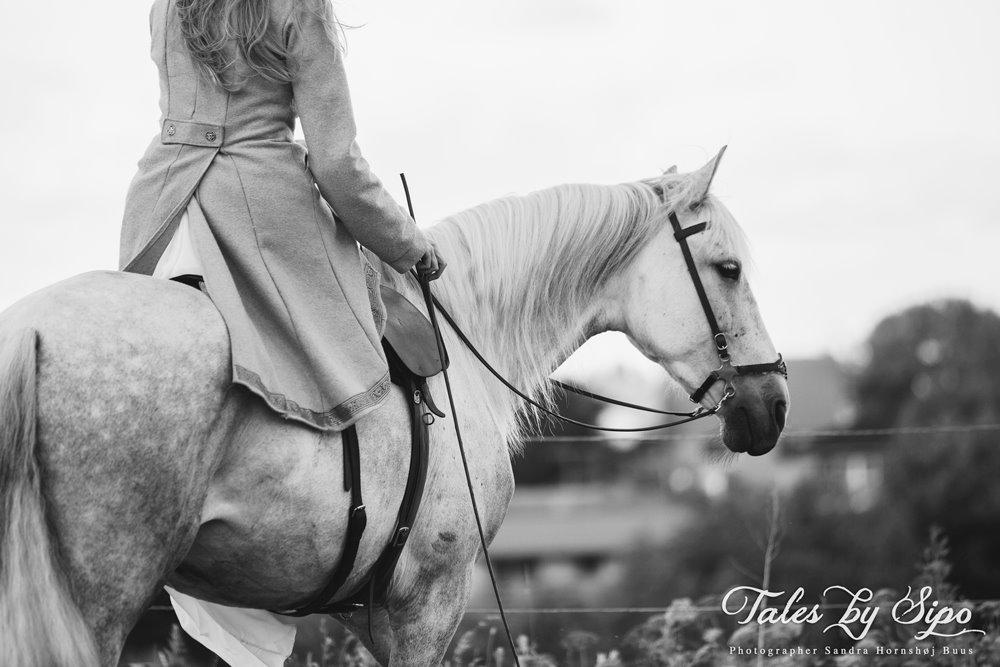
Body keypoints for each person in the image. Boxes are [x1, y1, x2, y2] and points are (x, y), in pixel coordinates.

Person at [119, 0, 445, 431]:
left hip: (159, 204)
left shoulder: (167, 6)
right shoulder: (299, 5)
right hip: (257, 206)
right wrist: (406, 241)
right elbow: (336, 166)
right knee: (344, 351)